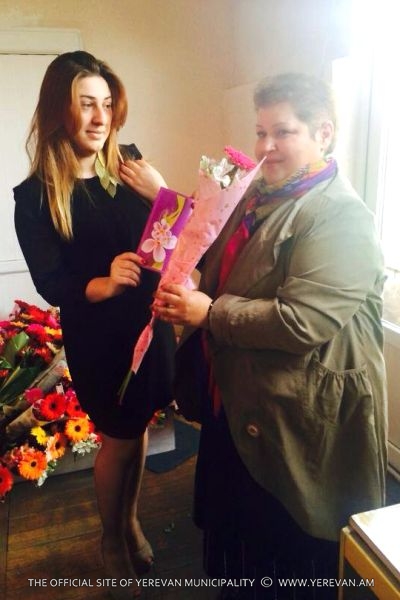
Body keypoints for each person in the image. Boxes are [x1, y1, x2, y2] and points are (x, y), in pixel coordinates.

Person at [153, 73, 388, 599]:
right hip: (239, 397)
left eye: (283, 132)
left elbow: (301, 321)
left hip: (296, 411)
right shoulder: (258, 195)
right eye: (260, 132)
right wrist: (190, 280)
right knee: (237, 532)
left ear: (323, 133)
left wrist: (208, 312)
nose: (265, 147)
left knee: (285, 542)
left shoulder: (341, 216)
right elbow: (223, 266)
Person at [14, 51, 176, 600]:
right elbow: (50, 280)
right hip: (101, 337)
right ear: (59, 109)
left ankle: (129, 521)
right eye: (86, 104)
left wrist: (163, 192)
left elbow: (175, 237)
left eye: (106, 104)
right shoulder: (35, 196)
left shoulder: (130, 165)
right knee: (119, 439)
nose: (100, 117)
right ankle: (111, 540)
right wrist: (102, 283)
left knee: (139, 428)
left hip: (151, 324)